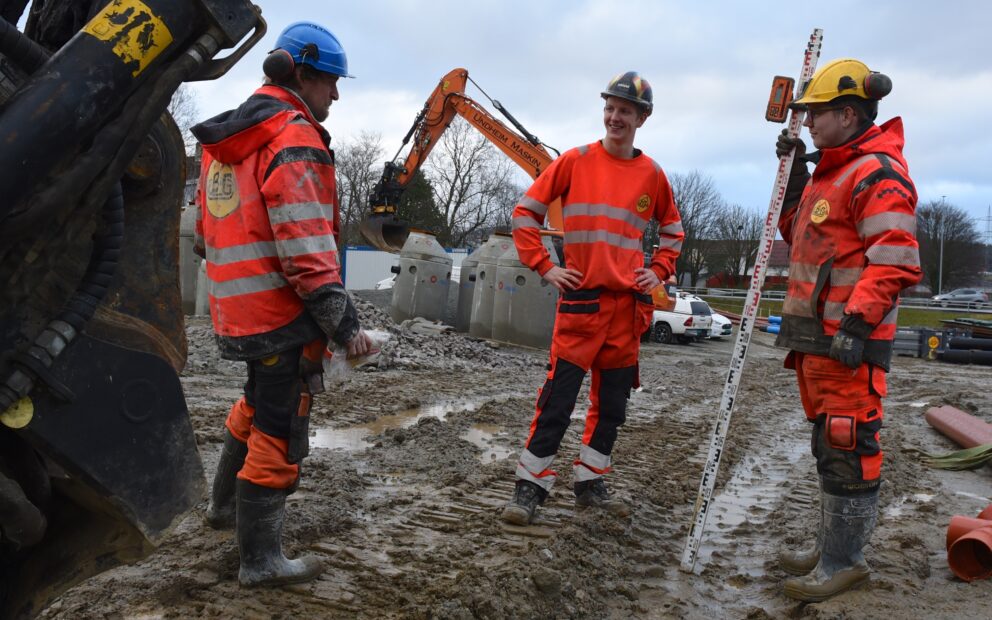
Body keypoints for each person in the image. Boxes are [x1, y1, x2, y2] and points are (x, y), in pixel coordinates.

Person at [191, 21, 372, 588]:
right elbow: (305, 248)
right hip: (282, 314)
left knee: (253, 405)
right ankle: (261, 561)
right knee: (279, 427)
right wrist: (345, 326)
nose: (335, 95)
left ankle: (223, 509)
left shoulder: (228, 138)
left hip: (237, 310)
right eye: (330, 83)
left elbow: (203, 233)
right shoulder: (292, 135)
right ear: (301, 74)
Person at [502, 71, 684, 525]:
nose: (614, 116)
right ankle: (529, 489)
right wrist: (546, 266)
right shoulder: (574, 161)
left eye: (624, 110)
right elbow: (525, 213)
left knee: (612, 408)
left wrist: (657, 271)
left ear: (643, 117)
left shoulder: (653, 175)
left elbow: (674, 233)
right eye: (609, 108)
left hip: (626, 311)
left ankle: (590, 484)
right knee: (557, 400)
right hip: (581, 304)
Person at [773, 58, 921, 601]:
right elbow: (801, 237)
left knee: (848, 443)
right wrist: (792, 186)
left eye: (817, 112)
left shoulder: (877, 170)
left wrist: (857, 323)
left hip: (847, 341)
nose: (808, 121)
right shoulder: (830, 172)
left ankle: (844, 560)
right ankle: (830, 548)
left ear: (850, 113)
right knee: (827, 445)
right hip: (818, 339)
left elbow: (894, 259)